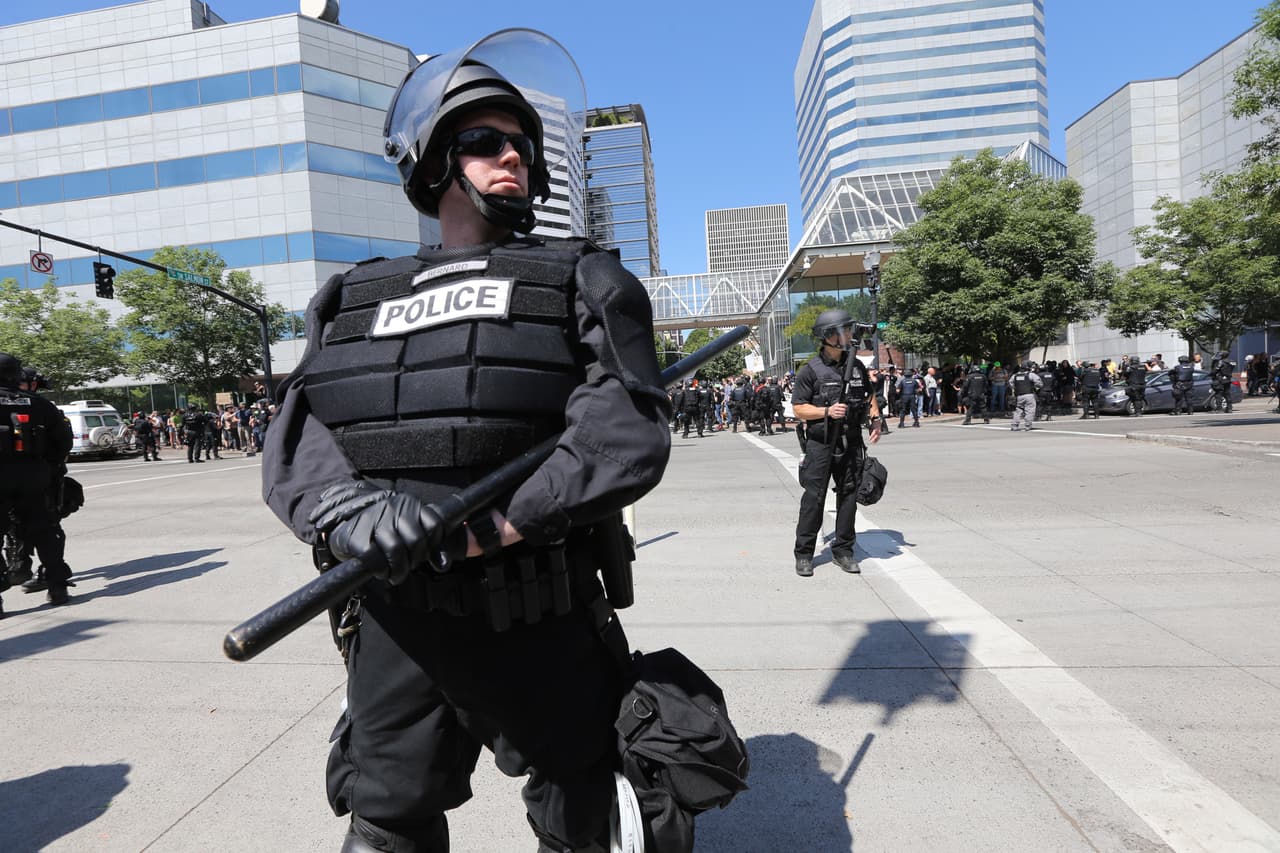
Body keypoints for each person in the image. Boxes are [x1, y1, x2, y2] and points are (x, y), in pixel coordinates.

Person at [261, 32, 676, 853]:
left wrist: (501, 522)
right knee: (384, 821)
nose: (511, 157)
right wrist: (346, 513)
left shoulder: (582, 279)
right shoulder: (349, 296)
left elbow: (623, 429)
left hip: (539, 605)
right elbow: (297, 434)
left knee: (590, 818)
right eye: (484, 142)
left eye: (521, 144)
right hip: (394, 617)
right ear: (434, 159)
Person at [790, 309, 882, 578]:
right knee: (814, 498)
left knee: (849, 496)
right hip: (821, 443)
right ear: (828, 336)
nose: (849, 335)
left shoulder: (856, 365)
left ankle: (843, 550)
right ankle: (804, 553)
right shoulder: (810, 370)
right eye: (843, 331)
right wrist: (826, 412)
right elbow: (798, 409)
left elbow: (868, 394)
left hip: (852, 441)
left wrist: (875, 418)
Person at [0, 352, 74, 616]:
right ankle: (57, 587)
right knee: (44, 532)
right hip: (34, 476)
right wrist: (48, 466)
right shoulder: (38, 403)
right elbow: (64, 440)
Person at [1008, 362, 1041, 431]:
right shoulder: (1031, 375)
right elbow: (1039, 383)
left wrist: (1016, 388)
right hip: (1029, 394)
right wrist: (1035, 388)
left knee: (1018, 410)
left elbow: (1010, 383)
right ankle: (1028, 425)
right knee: (1030, 410)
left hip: (1019, 395)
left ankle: (1014, 426)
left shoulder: (1015, 375)